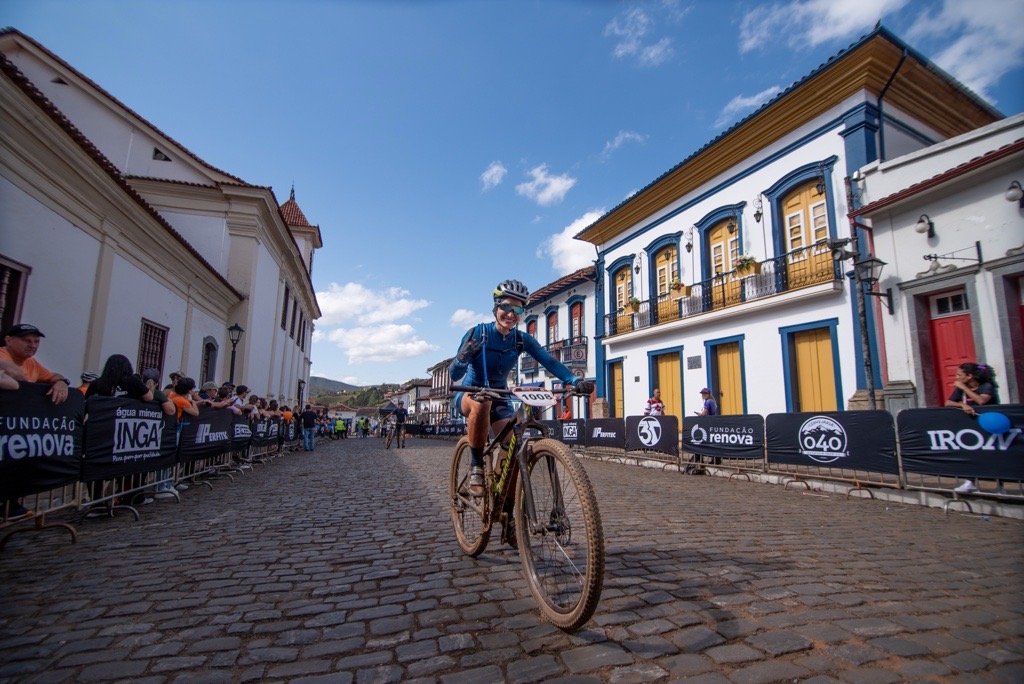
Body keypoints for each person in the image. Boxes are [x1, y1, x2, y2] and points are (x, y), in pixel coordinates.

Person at [450, 279, 594, 494]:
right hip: (470, 393)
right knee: (482, 403)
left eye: (517, 309)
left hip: (499, 396)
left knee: (515, 447)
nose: (511, 314)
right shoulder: (477, 333)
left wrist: (573, 381)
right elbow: (455, 374)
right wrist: (462, 357)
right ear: (496, 307)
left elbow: (550, 361)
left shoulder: (520, 340)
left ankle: (504, 500)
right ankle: (476, 466)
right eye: (506, 307)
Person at [945, 362, 1000, 494]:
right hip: (972, 427)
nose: (956, 377)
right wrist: (962, 405)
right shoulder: (960, 387)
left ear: (969, 376)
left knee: (995, 454)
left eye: (959, 374)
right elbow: (948, 402)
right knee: (971, 454)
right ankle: (970, 482)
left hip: (990, 425)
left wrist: (964, 388)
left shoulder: (987, 386)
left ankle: (1000, 485)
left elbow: (981, 401)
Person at [0, 323, 70, 404]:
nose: (33, 346)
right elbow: (11, 371)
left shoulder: (31, 363)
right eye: (27, 341)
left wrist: (61, 382)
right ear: (9, 340)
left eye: (36, 341)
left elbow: (54, 376)